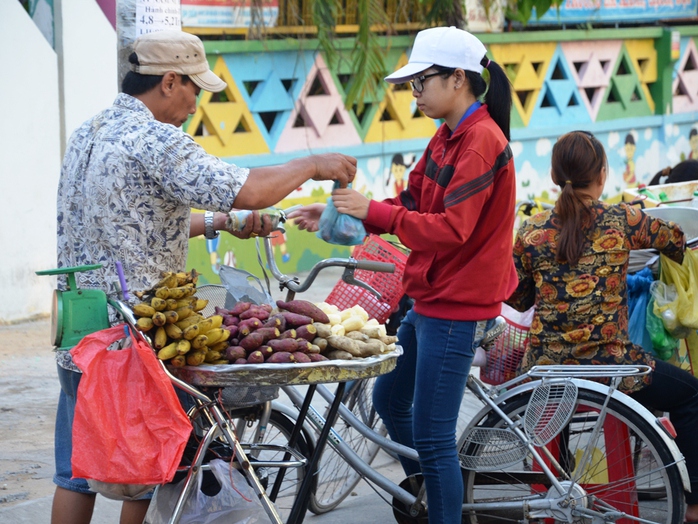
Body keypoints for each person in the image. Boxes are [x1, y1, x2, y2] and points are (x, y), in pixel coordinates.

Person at [53, 29, 356, 524]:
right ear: (169, 81)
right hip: (133, 341)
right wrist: (312, 162)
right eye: (195, 89)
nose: (197, 102)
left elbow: (137, 220)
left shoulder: (89, 132)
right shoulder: (156, 139)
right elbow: (250, 189)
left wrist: (220, 223)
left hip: (78, 329)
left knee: (75, 471)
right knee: (147, 471)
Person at [289, 26, 517, 524]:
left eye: (421, 82)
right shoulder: (448, 136)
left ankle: (442, 496)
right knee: (390, 397)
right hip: (430, 297)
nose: (414, 93)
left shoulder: (479, 141)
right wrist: (339, 216)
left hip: (457, 305)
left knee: (434, 436)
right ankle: (434, 491)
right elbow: (411, 205)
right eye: (411, 84)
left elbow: (450, 230)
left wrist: (371, 209)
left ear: (458, 79)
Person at [506, 130, 698, 522]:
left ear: (556, 175)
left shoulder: (531, 232)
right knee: (692, 397)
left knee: (552, 411)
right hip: (613, 371)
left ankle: (552, 497)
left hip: (547, 374)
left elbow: (517, 298)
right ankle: (694, 506)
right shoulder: (623, 219)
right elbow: (676, 239)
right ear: (603, 174)